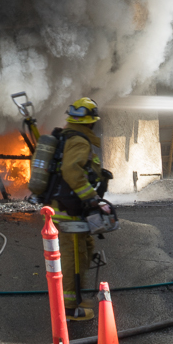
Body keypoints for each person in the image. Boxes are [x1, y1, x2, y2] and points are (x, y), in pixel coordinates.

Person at [40, 98, 116, 322]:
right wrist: (92, 199)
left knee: (83, 251)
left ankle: (76, 301)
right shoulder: (80, 142)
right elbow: (73, 172)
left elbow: (80, 171)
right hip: (69, 209)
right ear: (91, 122)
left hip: (65, 207)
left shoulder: (66, 137)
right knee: (74, 257)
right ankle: (70, 309)